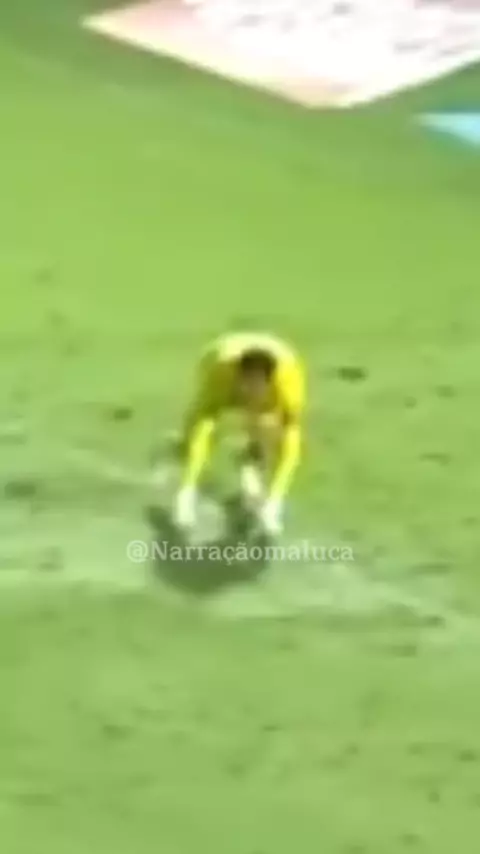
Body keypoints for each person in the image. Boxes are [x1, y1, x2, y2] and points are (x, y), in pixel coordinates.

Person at [173, 331, 305, 536]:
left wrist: (274, 501)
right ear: (238, 378)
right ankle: (187, 480)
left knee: (265, 424)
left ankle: (248, 464)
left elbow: (291, 444)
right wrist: (186, 493)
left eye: (257, 386)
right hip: (217, 354)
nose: (251, 392)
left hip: (282, 359)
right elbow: (203, 422)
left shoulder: (288, 383)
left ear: (270, 382)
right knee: (201, 428)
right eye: (247, 384)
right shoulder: (220, 374)